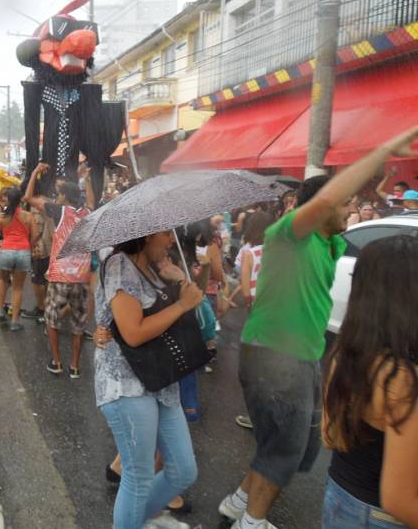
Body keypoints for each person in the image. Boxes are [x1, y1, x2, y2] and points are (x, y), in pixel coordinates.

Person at [219, 126, 418, 529]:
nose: (350, 210)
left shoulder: (333, 244)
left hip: (303, 358)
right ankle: (250, 522)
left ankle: (238, 502)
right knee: (288, 450)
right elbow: (327, 197)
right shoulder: (289, 237)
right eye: (345, 205)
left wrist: (381, 182)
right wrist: (379, 149)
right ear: (315, 209)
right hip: (273, 358)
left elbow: (376, 210)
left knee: (296, 446)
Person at [93, 232, 203, 529]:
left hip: (162, 378)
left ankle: (133, 520)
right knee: (139, 475)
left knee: (182, 470)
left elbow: (203, 320)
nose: (171, 240)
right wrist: (181, 305)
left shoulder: (157, 268)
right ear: (149, 234)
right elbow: (133, 332)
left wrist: (179, 280)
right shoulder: (119, 264)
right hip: (127, 382)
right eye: (167, 233)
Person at [321, 235, 418, 528]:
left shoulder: (348, 351)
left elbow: (329, 435)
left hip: (340, 497)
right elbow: (398, 500)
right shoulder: (401, 378)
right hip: (378, 516)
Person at [24, 162, 91, 378]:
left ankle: (56, 361)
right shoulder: (87, 212)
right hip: (81, 278)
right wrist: (86, 179)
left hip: (61, 275)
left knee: (52, 318)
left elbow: (28, 197)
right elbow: (90, 199)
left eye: (59, 193)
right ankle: (75, 366)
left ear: (64, 196)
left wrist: (34, 173)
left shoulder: (60, 211)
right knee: (79, 324)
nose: (56, 196)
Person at [0, 187, 36, 331]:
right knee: (18, 288)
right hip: (23, 252)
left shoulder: (2, 217)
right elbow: (36, 235)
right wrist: (28, 246)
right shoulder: (28, 216)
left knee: (2, 281)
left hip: (6, 251)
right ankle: (14, 322)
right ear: (19, 200)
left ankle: (0, 309)